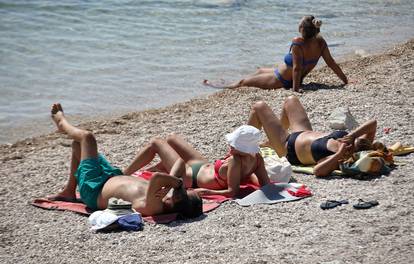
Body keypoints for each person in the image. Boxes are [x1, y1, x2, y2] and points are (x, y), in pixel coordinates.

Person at [47, 103, 203, 218]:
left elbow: (157, 178)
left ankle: (62, 124)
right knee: (77, 146)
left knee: (87, 138)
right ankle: (69, 191)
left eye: (187, 191)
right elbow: (180, 163)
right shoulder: (164, 196)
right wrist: (176, 182)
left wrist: (177, 183)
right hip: (110, 177)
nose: (186, 187)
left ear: (177, 197)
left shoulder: (154, 206)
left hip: (94, 189)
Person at [203, 15, 348, 92]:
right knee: (259, 70)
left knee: (243, 83)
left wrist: (295, 89)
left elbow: (297, 68)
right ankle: (231, 82)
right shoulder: (320, 42)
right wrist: (345, 81)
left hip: (280, 80)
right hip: (282, 73)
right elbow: (331, 63)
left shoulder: (298, 42)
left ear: (302, 29)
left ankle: (222, 86)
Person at [123, 125, 271, 198]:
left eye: (234, 145)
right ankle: (158, 167)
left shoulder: (235, 161)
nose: (230, 146)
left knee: (156, 143)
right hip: (203, 165)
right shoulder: (256, 158)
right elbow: (265, 184)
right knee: (171, 138)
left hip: (190, 176)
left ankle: (124, 174)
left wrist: (206, 191)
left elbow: (232, 192)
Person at [248, 96, 378, 177]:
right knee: (291, 100)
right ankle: (272, 139)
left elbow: (318, 171)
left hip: (288, 146)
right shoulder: (357, 142)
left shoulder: (338, 158)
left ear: (352, 155)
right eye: (352, 142)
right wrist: (353, 135)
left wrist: (339, 154)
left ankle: (242, 151)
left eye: (350, 147)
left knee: (259, 107)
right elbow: (373, 123)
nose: (348, 143)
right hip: (303, 131)